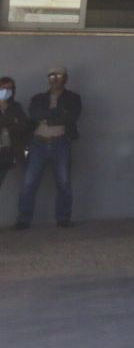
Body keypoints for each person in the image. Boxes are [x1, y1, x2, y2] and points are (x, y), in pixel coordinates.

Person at [17, 66, 82, 229]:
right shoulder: (38, 98)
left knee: (64, 182)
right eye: (52, 75)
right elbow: (34, 115)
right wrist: (57, 115)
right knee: (29, 183)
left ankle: (63, 218)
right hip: (38, 143)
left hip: (61, 142)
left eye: (59, 75)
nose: (55, 78)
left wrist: (47, 118)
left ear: (65, 78)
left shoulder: (73, 98)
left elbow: (71, 117)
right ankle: (23, 220)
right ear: (48, 78)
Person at [0, 76, 30, 192]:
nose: (7, 92)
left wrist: (7, 111)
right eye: (3, 88)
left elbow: (23, 125)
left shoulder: (15, 107)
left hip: (6, 152)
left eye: (10, 89)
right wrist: (12, 121)